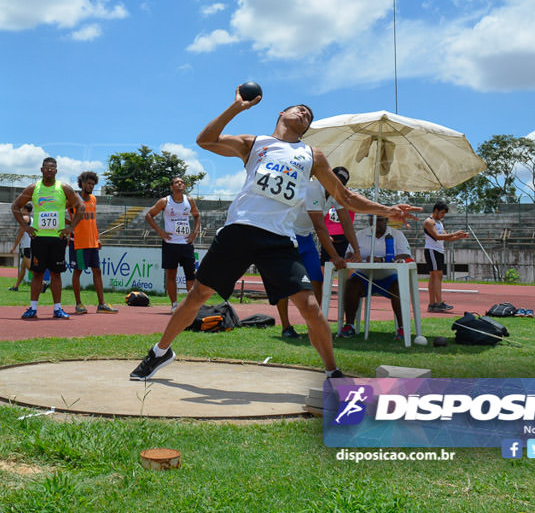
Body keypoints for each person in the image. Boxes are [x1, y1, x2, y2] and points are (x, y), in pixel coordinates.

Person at [129, 87, 419, 381]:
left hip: (279, 239)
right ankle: (160, 352)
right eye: (299, 109)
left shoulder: (312, 155)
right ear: (282, 113)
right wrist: (236, 108)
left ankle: (332, 372)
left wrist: (386, 210)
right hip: (239, 230)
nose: (305, 113)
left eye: (309, 116)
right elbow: (204, 140)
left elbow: (343, 197)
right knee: (198, 295)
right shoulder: (255, 143)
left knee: (309, 306)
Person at [10, 158, 85, 320]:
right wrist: (26, 227)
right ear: (42, 170)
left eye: (53, 167)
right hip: (38, 238)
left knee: (56, 274)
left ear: (56, 171)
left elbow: (81, 206)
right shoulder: (34, 188)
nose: (50, 170)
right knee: (37, 274)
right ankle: (33, 308)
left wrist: (71, 228)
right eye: (47, 167)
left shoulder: (63, 188)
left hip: (58, 238)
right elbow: (15, 206)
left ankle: (57, 309)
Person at [275, 178, 344, 339]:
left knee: (316, 281)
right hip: (289, 235)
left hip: (306, 238)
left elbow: (344, 220)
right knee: (283, 283)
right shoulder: (313, 188)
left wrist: (354, 249)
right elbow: (319, 226)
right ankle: (286, 327)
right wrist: (334, 254)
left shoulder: (336, 194)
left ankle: (314, 324)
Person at [339, 216, 413, 339]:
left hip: (389, 276)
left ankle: (402, 328)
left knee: (399, 288)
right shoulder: (360, 234)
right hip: (364, 276)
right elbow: (348, 253)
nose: (375, 223)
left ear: (386, 220)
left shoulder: (397, 235)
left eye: (379, 220)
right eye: (372, 219)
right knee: (351, 285)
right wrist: (356, 256)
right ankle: (349, 325)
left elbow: (405, 255)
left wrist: (382, 260)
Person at [145, 177, 201, 314]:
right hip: (170, 243)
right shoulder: (165, 201)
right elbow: (148, 215)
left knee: (190, 275)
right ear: (171, 187)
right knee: (171, 274)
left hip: (186, 243)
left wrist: (194, 233)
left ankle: (190, 305)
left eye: (182, 182)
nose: (180, 184)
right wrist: (161, 232)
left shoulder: (189, 201)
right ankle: (174, 304)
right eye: (177, 182)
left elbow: (197, 216)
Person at [69, 171, 117, 314]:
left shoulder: (94, 199)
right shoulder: (74, 199)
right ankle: (78, 304)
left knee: (97, 271)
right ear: (82, 183)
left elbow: (93, 221)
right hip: (78, 242)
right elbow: (60, 213)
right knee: (78, 271)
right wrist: (68, 225)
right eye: (88, 183)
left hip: (92, 242)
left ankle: (101, 304)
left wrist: (97, 238)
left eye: (93, 184)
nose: (90, 186)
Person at [423, 200, 469, 313]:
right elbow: (437, 236)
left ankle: (433, 304)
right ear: (436, 210)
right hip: (432, 250)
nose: (443, 215)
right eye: (442, 213)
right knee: (437, 275)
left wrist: (459, 237)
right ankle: (438, 303)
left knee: (435, 276)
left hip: (438, 250)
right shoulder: (429, 222)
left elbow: (446, 237)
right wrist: (455, 233)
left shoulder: (439, 222)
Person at [321, 166, 361, 266]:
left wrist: (356, 249)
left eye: (341, 183)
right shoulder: (320, 192)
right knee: (324, 265)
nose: (337, 185)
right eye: (336, 180)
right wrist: (325, 234)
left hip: (344, 238)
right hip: (327, 236)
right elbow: (321, 218)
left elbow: (348, 222)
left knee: (344, 266)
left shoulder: (347, 195)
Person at [9, 203, 33, 291]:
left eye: (22, 209)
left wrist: (14, 246)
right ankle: (16, 286)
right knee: (23, 267)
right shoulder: (32, 219)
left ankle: (42, 282)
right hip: (29, 244)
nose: (21, 210)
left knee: (29, 266)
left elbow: (21, 233)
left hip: (27, 245)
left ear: (26, 210)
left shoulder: (25, 218)